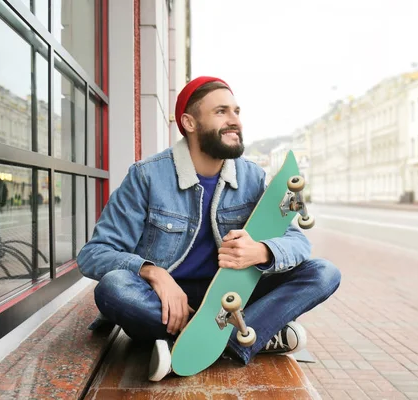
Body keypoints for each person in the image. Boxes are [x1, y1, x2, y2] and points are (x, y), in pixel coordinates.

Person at [77, 76, 341, 381]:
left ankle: (209, 344)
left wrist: (262, 250)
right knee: (113, 289)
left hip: (231, 298)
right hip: (165, 302)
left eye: (236, 112)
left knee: (324, 272)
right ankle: (246, 336)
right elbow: (93, 254)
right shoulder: (146, 177)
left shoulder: (253, 177)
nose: (234, 121)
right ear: (189, 122)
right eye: (221, 112)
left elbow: (297, 242)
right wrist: (153, 272)